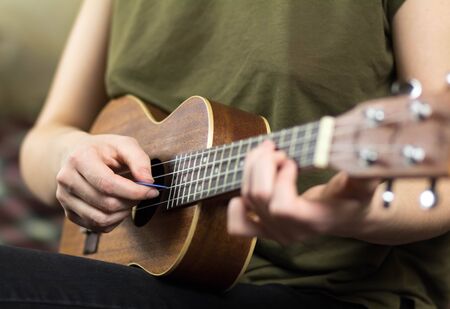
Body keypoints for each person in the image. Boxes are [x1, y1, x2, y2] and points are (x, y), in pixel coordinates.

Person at [7, 0, 450, 308]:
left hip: (322, 292)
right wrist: (73, 155)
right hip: (133, 269)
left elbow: (440, 163)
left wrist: (349, 214)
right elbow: (46, 137)